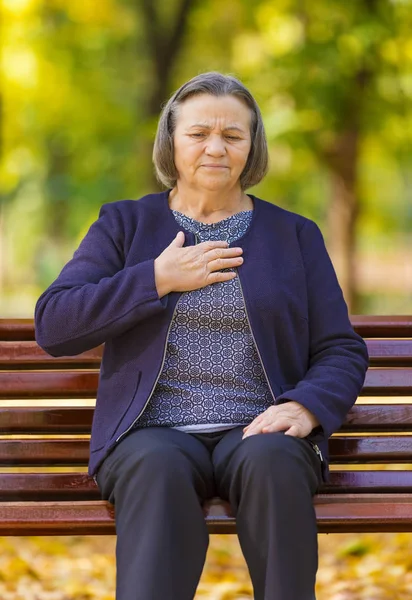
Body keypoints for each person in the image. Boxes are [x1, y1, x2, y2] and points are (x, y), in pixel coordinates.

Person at [35, 71, 369, 600]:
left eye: (233, 135)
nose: (216, 147)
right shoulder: (125, 226)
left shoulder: (294, 235)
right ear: (172, 140)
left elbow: (340, 347)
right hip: (151, 432)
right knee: (157, 468)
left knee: (276, 460)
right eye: (198, 133)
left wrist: (306, 408)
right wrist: (155, 279)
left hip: (257, 427)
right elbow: (55, 323)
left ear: (251, 147)